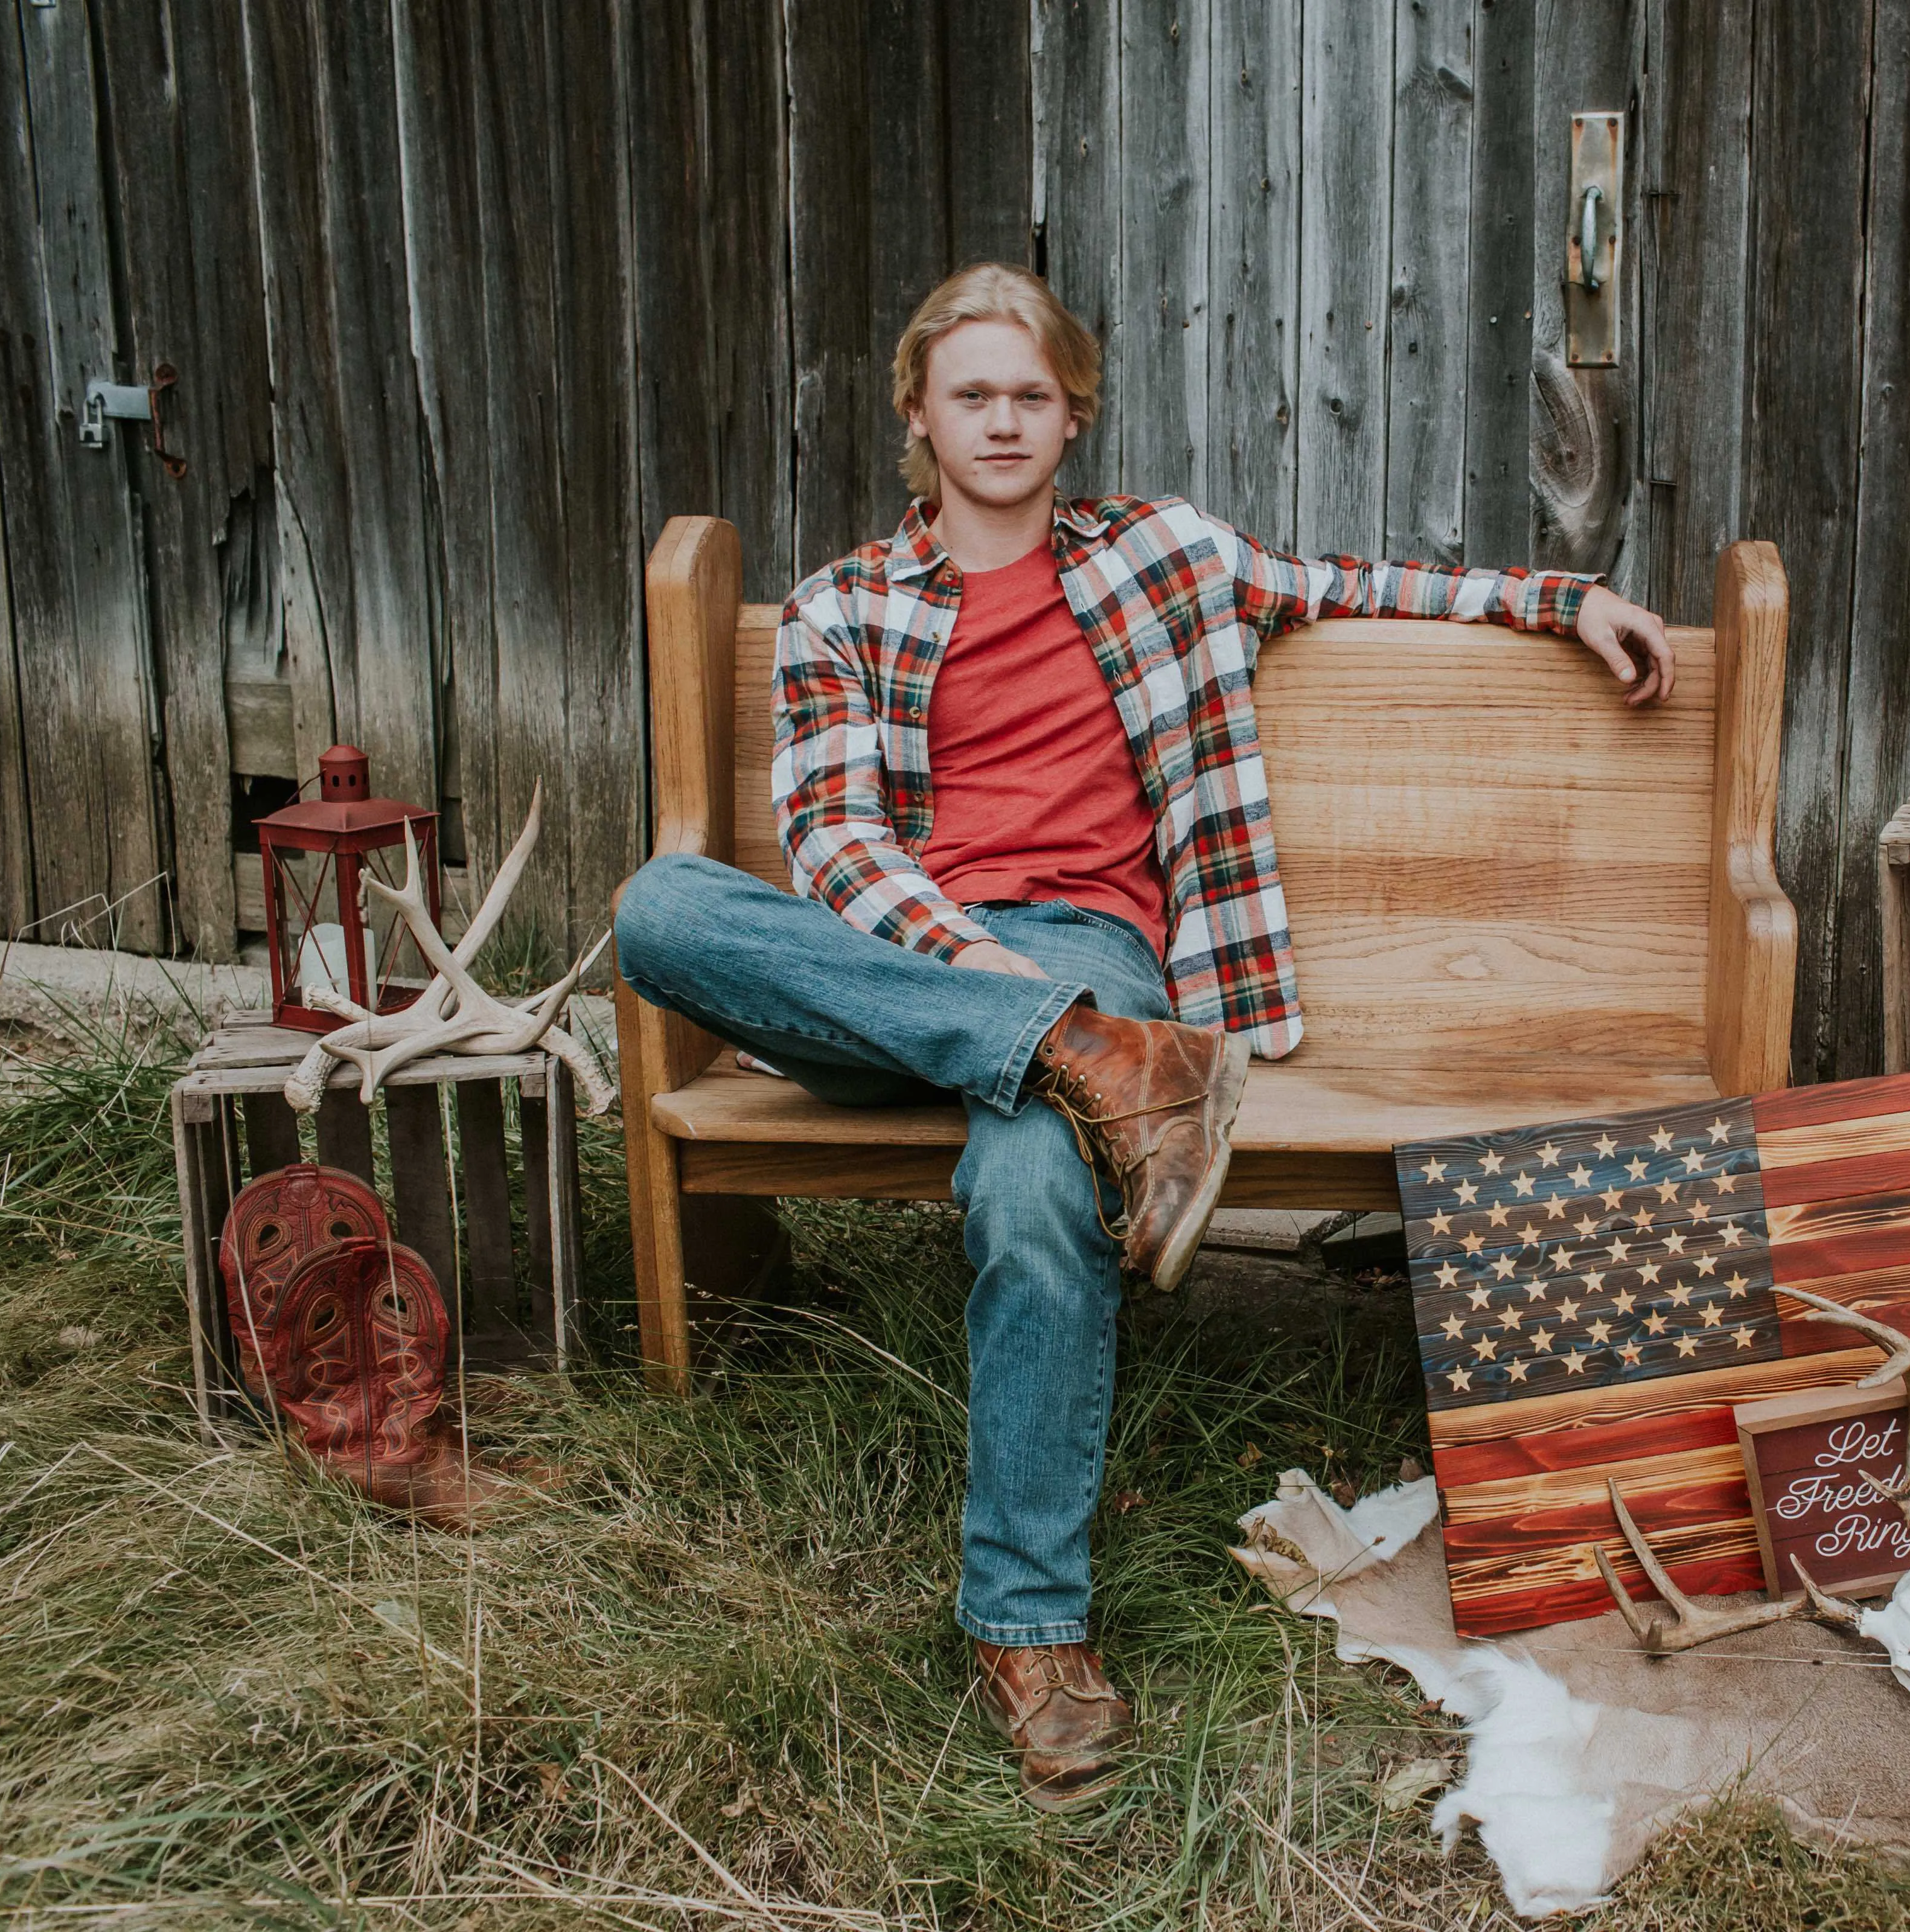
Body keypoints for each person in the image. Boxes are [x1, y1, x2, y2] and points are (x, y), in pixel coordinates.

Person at [612, 263, 1673, 1809]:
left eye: (1030, 394)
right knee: (660, 908)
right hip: (906, 966)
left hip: (1095, 955)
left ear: (1073, 414)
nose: (1001, 420)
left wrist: (1561, 597)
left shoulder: (1163, 554)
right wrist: (1002, 1003)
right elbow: (837, 851)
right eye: (970, 393)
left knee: (1035, 1187)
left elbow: (1357, 584)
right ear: (919, 411)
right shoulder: (846, 608)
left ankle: (1030, 1628)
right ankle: (1095, 1066)